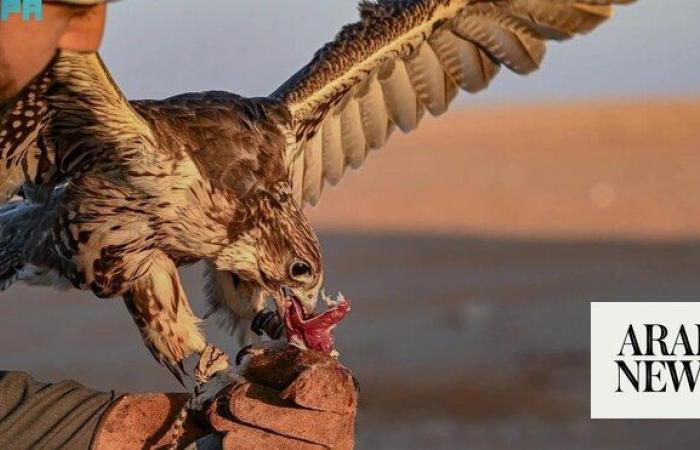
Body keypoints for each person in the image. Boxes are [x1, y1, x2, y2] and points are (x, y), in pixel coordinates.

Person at [0, 2, 357, 449]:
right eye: (298, 274)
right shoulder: (150, 158)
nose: (90, 27)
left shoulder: (270, 151)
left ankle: (220, 382)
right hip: (47, 231)